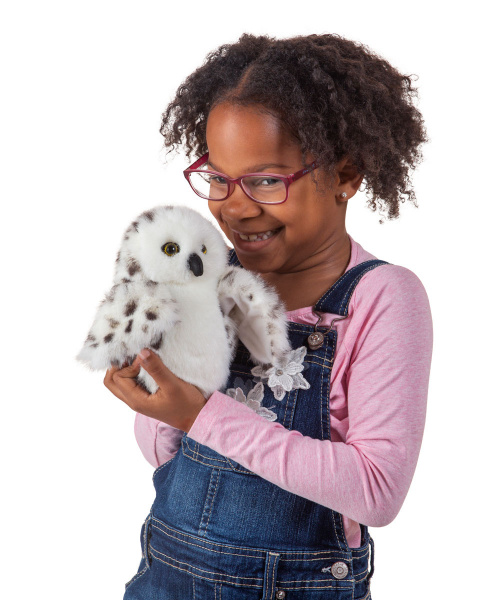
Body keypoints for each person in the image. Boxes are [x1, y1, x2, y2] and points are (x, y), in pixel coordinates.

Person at [104, 33, 433, 600]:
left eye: (265, 181)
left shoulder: (380, 298)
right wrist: (156, 390)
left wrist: (201, 413)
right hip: (165, 579)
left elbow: (377, 491)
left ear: (346, 175)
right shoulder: (208, 276)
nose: (233, 206)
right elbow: (167, 460)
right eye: (218, 178)